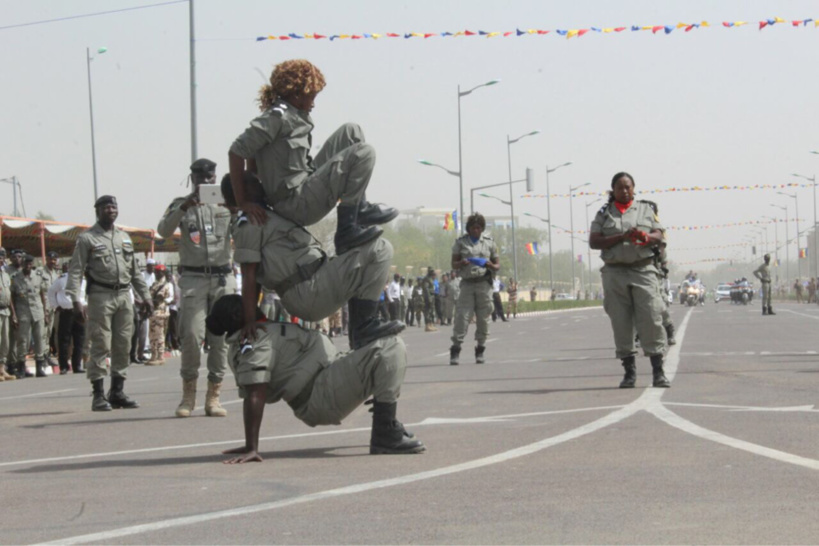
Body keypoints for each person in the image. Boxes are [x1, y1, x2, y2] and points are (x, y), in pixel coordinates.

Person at [208, 295, 424, 463]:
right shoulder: (253, 341)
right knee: (391, 347)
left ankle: (385, 421)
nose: (251, 303)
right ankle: (385, 433)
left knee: (382, 343)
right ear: (238, 316)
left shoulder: (260, 331)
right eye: (243, 303)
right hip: (320, 392)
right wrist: (251, 447)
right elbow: (255, 392)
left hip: (327, 376)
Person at [228, 59, 396, 256]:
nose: (313, 103)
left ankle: (359, 209)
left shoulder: (292, 114)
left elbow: (254, 157)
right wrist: (244, 202)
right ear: (297, 95)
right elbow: (236, 151)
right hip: (295, 203)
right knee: (364, 152)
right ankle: (346, 231)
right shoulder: (277, 117)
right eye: (311, 97)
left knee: (352, 131)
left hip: (305, 184)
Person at [224, 172, 403, 351]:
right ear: (241, 191)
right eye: (251, 182)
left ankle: (362, 328)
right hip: (307, 290)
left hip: (314, 281)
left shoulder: (262, 214)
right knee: (380, 249)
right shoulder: (249, 222)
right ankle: (363, 329)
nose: (259, 182)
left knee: (370, 256)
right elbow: (250, 274)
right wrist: (250, 321)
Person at [157, 158, 236, 418]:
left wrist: (235, 208)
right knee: (191, 335)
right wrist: (183, 206)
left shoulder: (226, 202)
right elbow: (163, 231)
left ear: (215, 177)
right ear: (192, 178)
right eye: (200, 177)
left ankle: (214, 396)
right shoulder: (181, 204)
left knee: (220, 339)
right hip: (193, 279)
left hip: (223, 278)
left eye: (210, 177)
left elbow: (246, 230)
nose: (205, 181)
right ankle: (188, 395)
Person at [66, 195, 152, 410]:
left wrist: (146, 296)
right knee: (101, 343)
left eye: (113, 207)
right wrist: (76, 300)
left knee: (123, 344)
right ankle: (98, 394)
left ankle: (117, 391)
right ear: (97, 211)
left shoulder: (124, 237)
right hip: (100, 296)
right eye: (106, 207)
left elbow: (134, 272)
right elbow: (76, 270)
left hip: (124, 296)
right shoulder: (87, 238)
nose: (111, 210)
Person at [589, 172, 669, 389]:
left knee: (651, 319)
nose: (624, 191)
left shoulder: (646, 209)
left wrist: (646, 237)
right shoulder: (604, 214)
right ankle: (629, 372)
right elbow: (594, 241)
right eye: (620, 188)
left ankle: (658, 372)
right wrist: (620, 237)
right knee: (621, 323)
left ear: (634, 188)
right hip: (615, 273)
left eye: (628, 187)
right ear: (612, 191)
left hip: (643, 270)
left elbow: (660, 235)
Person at [448, 213, 500, 366]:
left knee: (483, 319)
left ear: (482, 228)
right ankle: (455, 350)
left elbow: (497, 265)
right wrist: (462, 263)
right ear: (468, 229)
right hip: (467, 284)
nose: (476, 230)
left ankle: (480, 349)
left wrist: (489, 264)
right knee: (462, 317)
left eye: (478, 228)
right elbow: (453, 264)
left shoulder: (490, 243)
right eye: (473, 228)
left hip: (484, 284)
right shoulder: (461, 243)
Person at [10, 254, 48, 378]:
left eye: (30, 263)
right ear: (23, 264)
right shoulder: (16, 278)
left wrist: (45, 312)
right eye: (26, 263)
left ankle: (39, 367)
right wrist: (14, 315)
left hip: (38, 312)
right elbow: (12, 298)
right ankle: (21, 367)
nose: (28, 265)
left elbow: (42, 294)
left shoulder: (37, 277)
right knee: (23, 340)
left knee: (39, 339)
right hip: (23, 313)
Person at [47, 262, 86, 374]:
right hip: (66, 312)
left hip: (80, 312)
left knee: (79, 340)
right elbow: (51, 292)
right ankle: (63, 366)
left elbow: (85, 296)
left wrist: (86, 308)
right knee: (64, 340)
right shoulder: (62, 279)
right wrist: (56, 306)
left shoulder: (83, 280)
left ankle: (77, 365)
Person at [146, 265, 174, 365]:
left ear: (163, 273)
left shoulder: (168, 285)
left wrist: (163, 300)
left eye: (159, 272)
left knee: (160, 334)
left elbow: (171, 298)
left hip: (161, 312)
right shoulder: (154, 284)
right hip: (153, 312)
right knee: (152, 334)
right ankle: (153, 355)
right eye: (156, 272)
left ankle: (160, 356)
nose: (157, 274)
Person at [38, 250, 61, 368]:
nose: (52, 261)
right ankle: (41, 357)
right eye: (50, 259)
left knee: (49, 333)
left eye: (54, 259)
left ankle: (46, 355)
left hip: (53, 307)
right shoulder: (40, 272)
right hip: (43, 306)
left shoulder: (56, 273)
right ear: (46, 259)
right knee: (42, 333)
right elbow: (39, 291)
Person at [0, 248, 17, 381]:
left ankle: (1, 369)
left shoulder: (5, 274)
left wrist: (13, 312)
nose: (1, 258)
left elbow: (9, 295)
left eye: (3, 256)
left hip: (5, 310)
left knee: (5, 341)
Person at [421, 267, 438, 332]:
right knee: (428, 311)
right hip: (428, 297)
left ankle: (431, 324)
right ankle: (427, 325)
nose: (433, 272)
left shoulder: (431, 278)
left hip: (432, 296)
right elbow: (426, 289)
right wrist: (428, 298)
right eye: (431, 271)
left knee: (431, 311)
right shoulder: (426, 279)